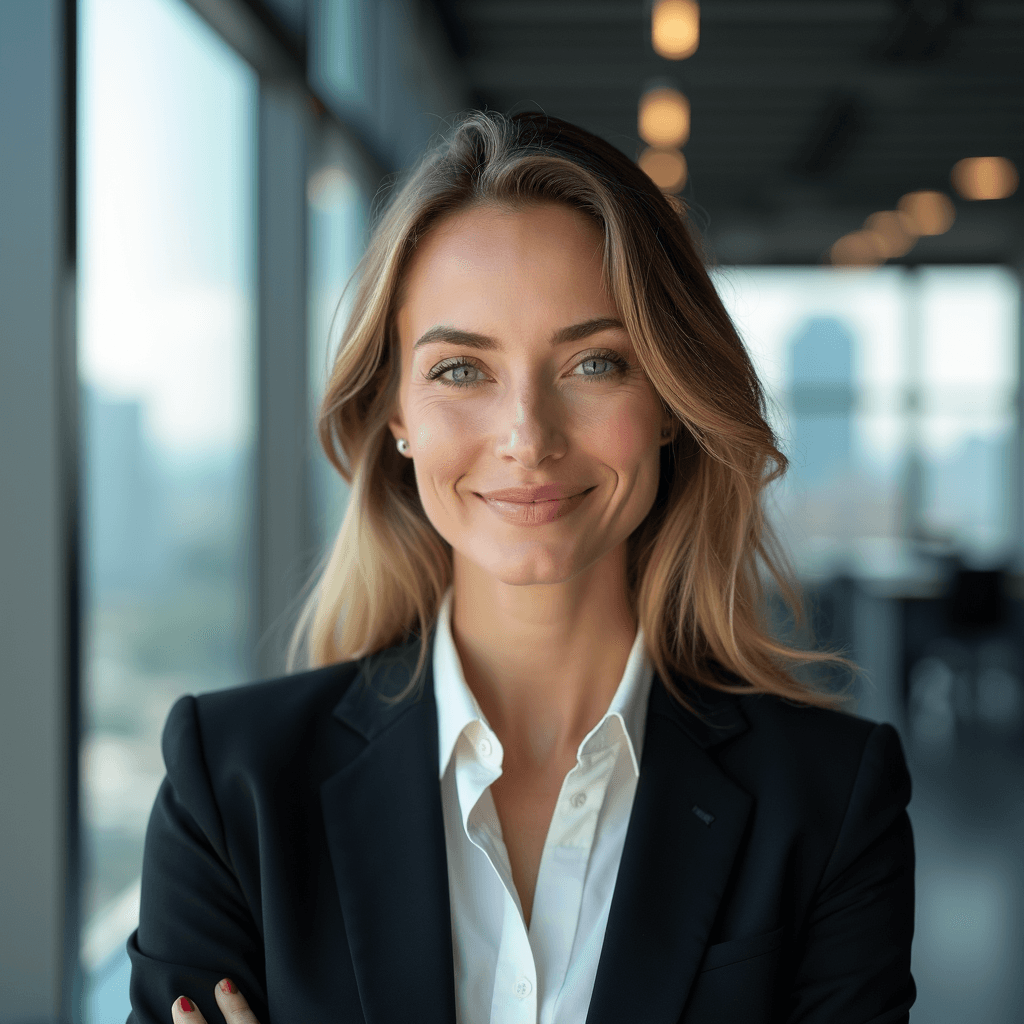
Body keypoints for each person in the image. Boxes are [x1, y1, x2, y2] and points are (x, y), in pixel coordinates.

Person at [127, 111, 915, 1024]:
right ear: (397, 412)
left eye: (594, 363)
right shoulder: (228, 789)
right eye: (461, 370)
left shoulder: (830, 799)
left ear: (669, 399)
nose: (528, 438)